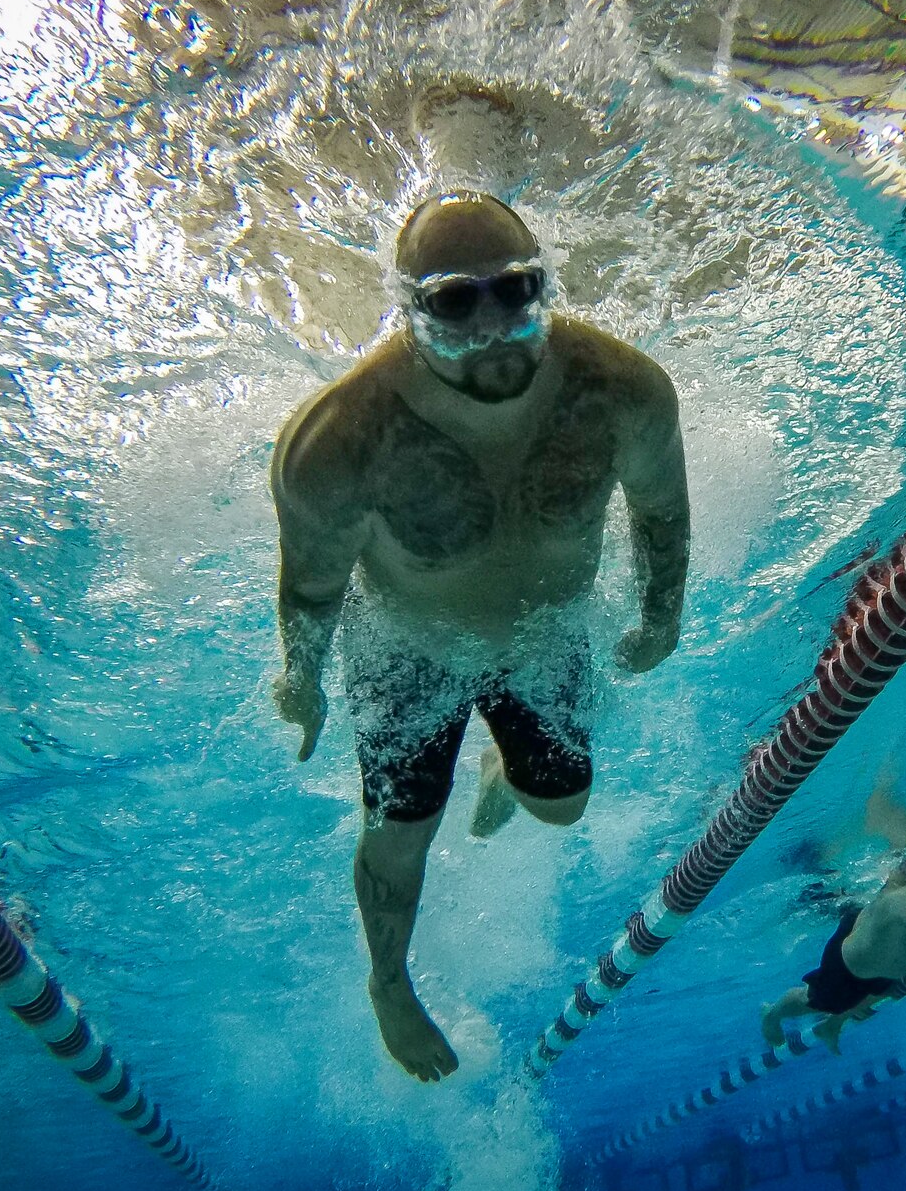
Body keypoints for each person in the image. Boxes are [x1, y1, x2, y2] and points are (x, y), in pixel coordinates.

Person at [269, 191, 690, 1082]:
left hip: (545, 636)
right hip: (407, 650)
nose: (494, 322)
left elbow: (661, 512)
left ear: (546, 282)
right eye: (457, 301)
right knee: (402, 832)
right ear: (410, 309)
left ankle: (506, 761)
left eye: (517, 289)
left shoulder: (622, 391)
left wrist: (663, 611)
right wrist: (300, 679)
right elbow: (311, 586)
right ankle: (389, 979)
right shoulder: (339, 441)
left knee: (562, 805)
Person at [761, 838, 906, 1055]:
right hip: (849, 959)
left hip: (874, 953)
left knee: (871, 993)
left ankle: (832, 1025)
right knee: (814, 999)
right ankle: (771, 1014)